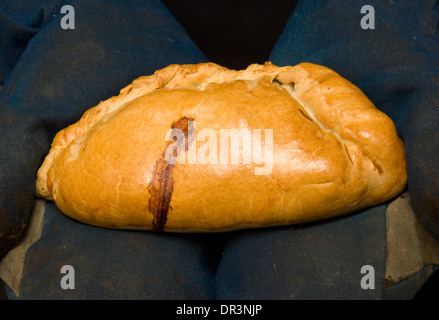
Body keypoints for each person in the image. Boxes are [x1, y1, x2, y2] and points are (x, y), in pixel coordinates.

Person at [0, 0, 438, 299]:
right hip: (124, 43)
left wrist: (390, 16)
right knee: (114, 282)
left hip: (330, 50)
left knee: (310, 280)